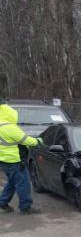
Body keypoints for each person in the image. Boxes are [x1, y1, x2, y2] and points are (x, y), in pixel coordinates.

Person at [0, 85, 44, 214]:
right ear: (10, 115)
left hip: (4, 160)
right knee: (23, 183)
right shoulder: (9, 127)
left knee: (12, 182)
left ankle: (3, 203)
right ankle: (26, 207)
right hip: (15, 160)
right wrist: (38, 141)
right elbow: (25, 140)